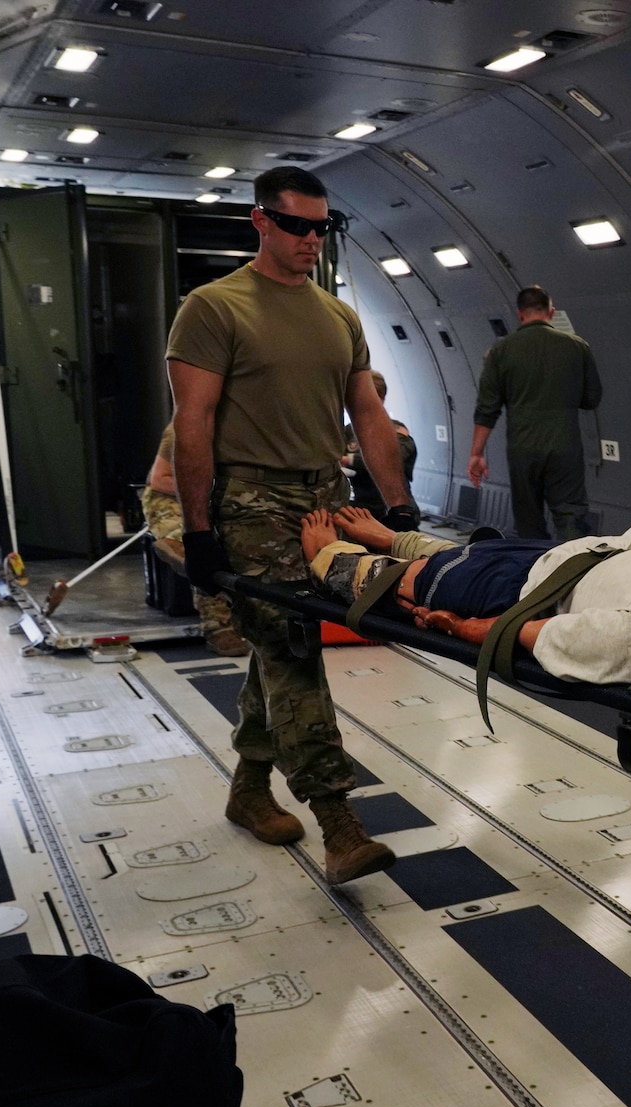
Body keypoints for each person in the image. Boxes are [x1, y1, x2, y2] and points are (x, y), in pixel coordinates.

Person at [166, 165, 418, 885]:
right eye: (299, 226)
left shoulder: (338, 316)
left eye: (323, 227)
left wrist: (395, 508)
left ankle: (249, 788)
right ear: (263, 222)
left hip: (323, 501)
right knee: (294, 649)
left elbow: (366, 413)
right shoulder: (214, 309)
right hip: (249, 502)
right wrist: (200, 530)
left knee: (279, 645)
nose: (312, 239)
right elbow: (195, 423)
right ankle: (340, 824)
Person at [301, 507, 631, 712]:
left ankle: (330, 557)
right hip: (581, 556)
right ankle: (394, 537)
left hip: (527, 589)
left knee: (417, 584)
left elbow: (538, 635)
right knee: (463, 554)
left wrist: (463, 628)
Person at [468, 286, 603, 539]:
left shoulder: (500, 351)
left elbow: (487, 409)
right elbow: (591, 399)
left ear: (520, 315)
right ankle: (574, 573)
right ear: (551, 312)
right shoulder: (577, 347)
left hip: (523, 449)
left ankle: (534, 572)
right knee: (570, 515)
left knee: (528, 520)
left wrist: (476, 453)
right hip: (565, 447)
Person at [141, 422, 247, 657]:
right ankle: (218, 628)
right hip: (170, 498)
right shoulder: (182, 428)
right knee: (201, 542)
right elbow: (159, 479)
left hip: (218, 498)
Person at [343, 371, 418, 526]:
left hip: (392, 510)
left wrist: (346, 459)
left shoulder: (395, 431)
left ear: (381, 399)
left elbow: (387, 459)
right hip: (361, 508)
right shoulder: (350, 431)